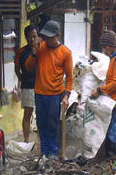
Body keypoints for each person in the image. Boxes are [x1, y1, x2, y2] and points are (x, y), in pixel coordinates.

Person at [25, 20, 73, 160]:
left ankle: (53, 151)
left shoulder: (65, 53)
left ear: (58, 35)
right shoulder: (40, 47)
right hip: (39, 93)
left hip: (55, 94)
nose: (46, 39)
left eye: (50, 36)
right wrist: (34, 53)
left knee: (52, 124)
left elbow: (69, 78)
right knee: (41, 123)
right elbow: (28, 67)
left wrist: (66, 95)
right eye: (45, 36)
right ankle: (44, 150)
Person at [91, 30, 116, 162]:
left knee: (115, 132)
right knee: (113, 130)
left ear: (111, 45)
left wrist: (100, 90)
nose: (104, 50)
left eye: (105, 47)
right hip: (115, 99)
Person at [14, 25, 38, 143]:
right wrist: (21, 79)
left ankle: (40, 141)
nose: (32, 40)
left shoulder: (42, 50)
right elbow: (17, 68)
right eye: (29, 37)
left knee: (41, 114)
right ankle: (26, 140)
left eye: (34, 36)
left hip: (42, 86)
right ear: (25, 37)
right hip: (27, 86)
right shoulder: (21, 52)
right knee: (27, 114)